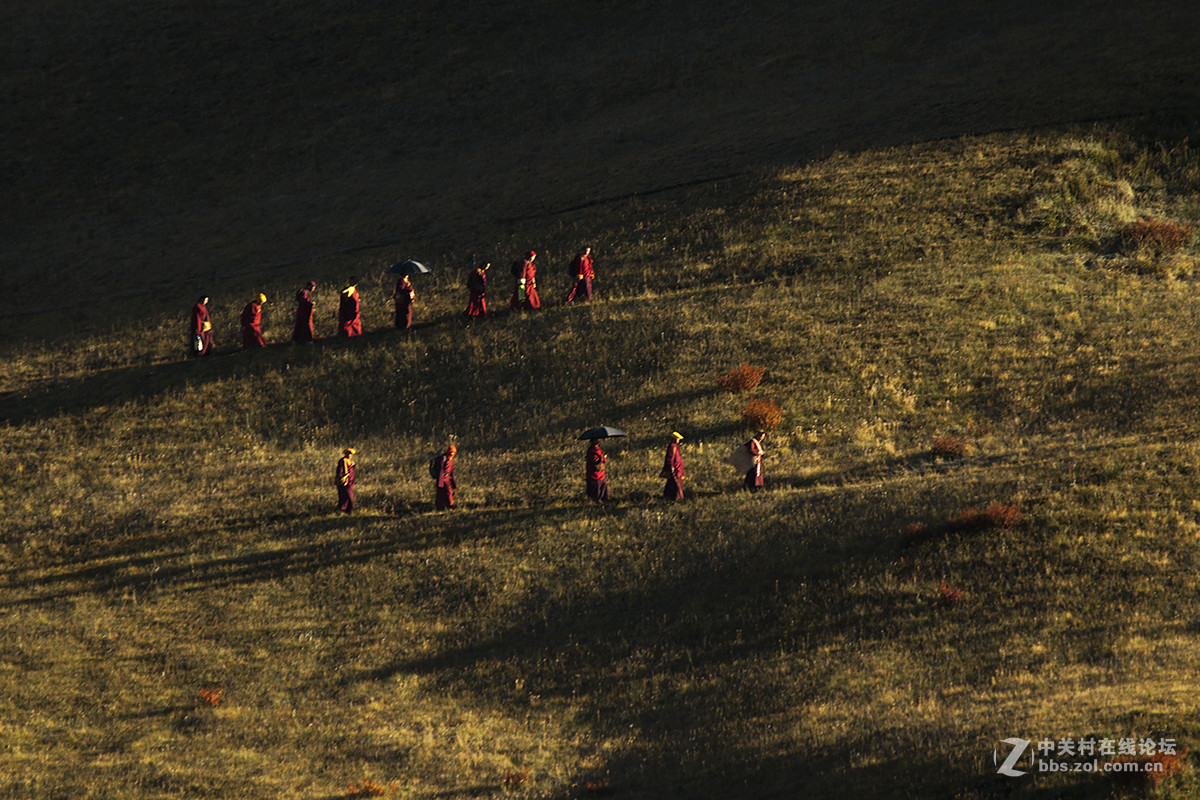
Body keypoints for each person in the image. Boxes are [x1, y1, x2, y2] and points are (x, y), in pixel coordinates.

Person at [431, 445, 458, 509]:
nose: (452, 453)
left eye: (453, 452)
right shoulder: (443, 459)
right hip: (442, 479)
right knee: (447, 492)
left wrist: (454, 484)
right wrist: (440, 483)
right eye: (451, 452)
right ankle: (449, 506)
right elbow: (440, 470)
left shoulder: (450, 460)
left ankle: (441, 507)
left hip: (447, 479)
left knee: (444, 493)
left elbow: (452, 473)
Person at [661, 431, 685, 500]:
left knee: (673, 482)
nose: (679, 440)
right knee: (675, 483)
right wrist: (671, 467)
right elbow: (670, 458)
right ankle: (676, 497)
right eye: (678, 439)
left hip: (678, 468)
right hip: (675, 469)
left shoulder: (675, 447)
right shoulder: (672, 447)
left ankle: (670, 496)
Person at [335, 448, 356, 513]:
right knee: (347, 496)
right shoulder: (342, 460)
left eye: (351, 454)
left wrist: (353, 466)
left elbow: (351, 471)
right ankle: (345, 510)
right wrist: (340, 477)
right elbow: (339, 470)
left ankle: (345, 511)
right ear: (345, 453)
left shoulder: (350, 461)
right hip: (344, 482)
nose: (349, 455)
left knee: (346, 497)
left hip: (350, 482)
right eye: (348, 453)